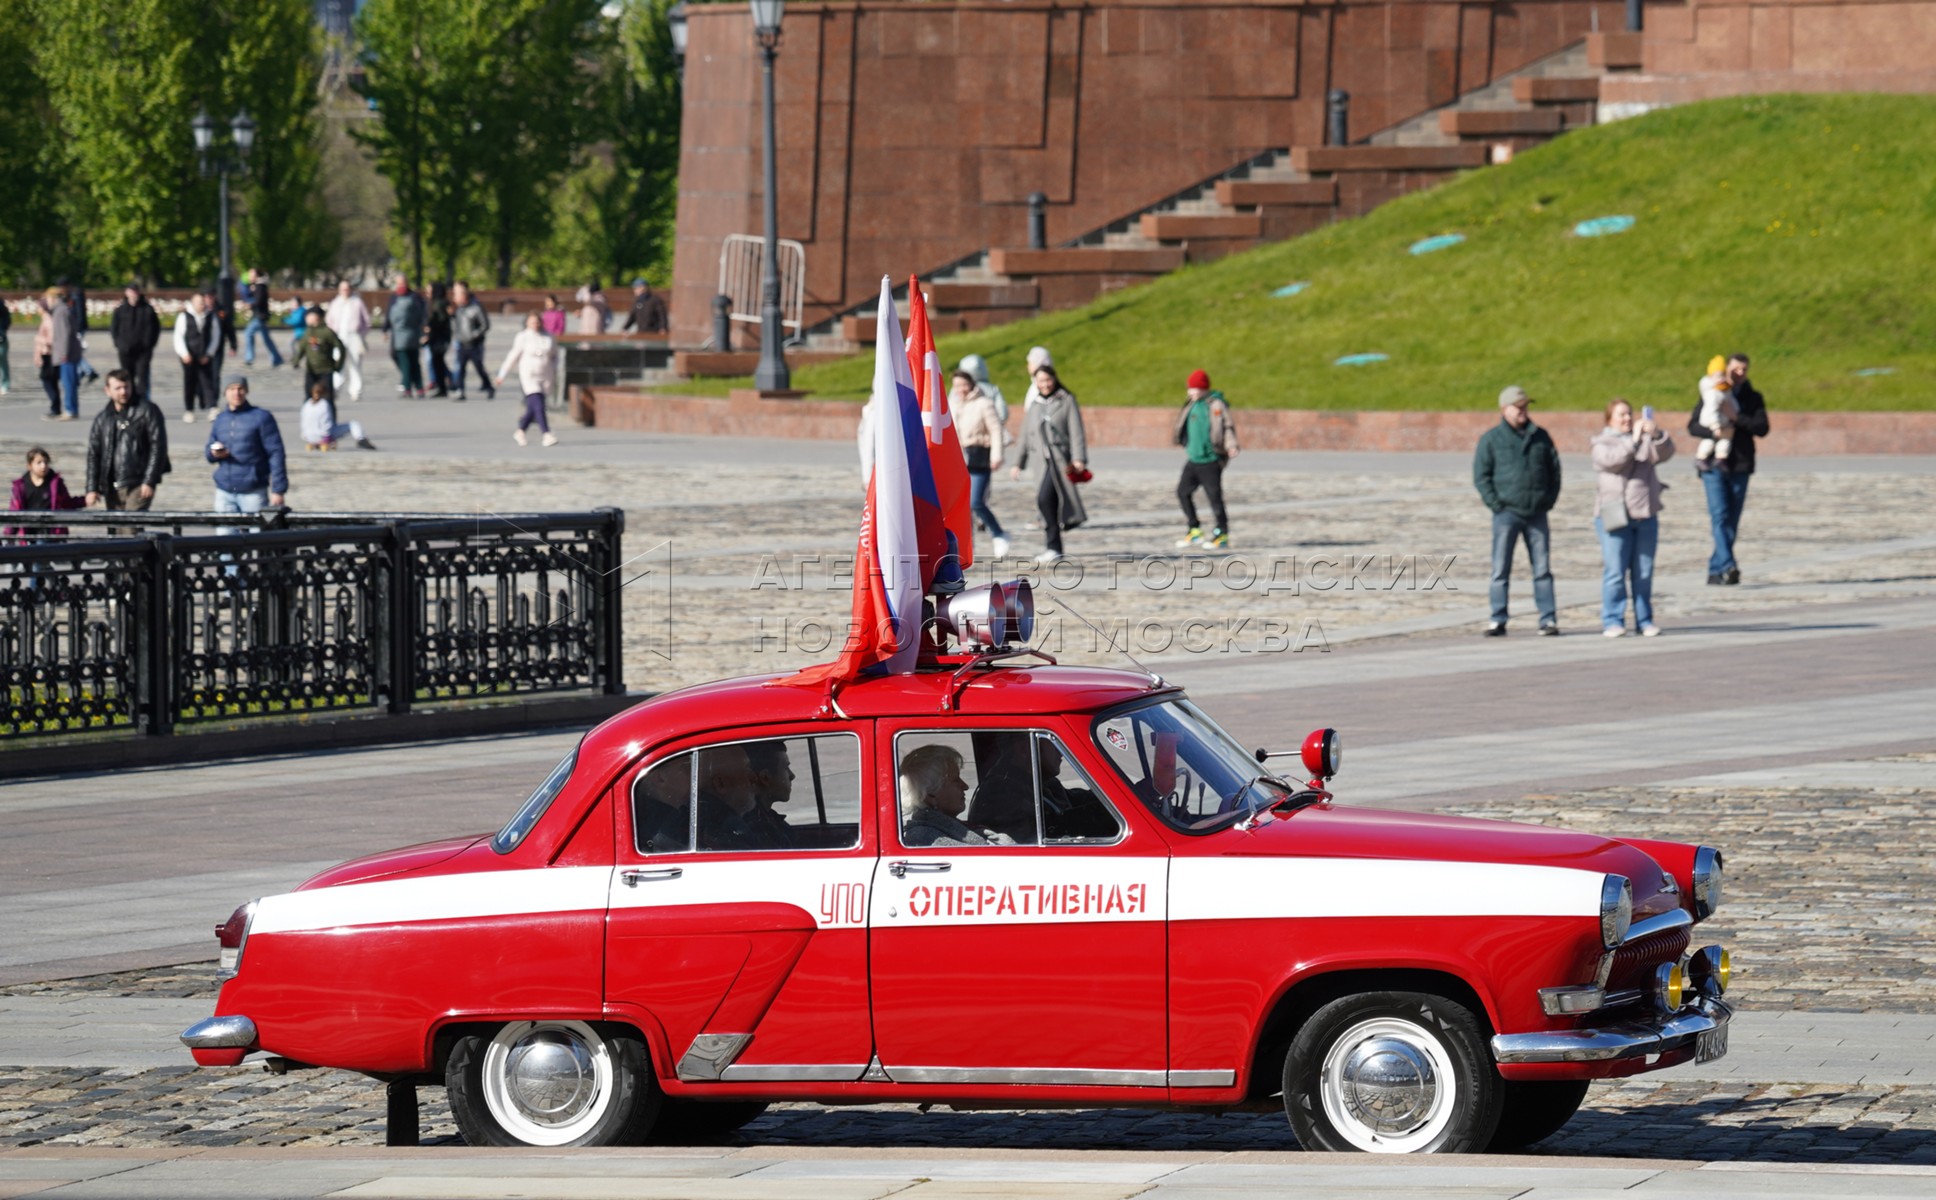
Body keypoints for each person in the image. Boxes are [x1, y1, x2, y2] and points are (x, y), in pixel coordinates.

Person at [1474, 385, 1563, 637]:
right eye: (1518, 406)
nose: (1523, 411)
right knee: (1500, 568)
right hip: (1507, 513)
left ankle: (1548, 619)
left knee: (1542, 568)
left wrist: (1548, 500)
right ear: (1504, 409)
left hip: (1537, 512)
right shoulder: (1491, 439)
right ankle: (1497, 618)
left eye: (1525, 406)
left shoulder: (1540, 436)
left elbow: (1554, 470)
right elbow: (1481, 476)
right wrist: (1496, 504)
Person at [1591, 399, 1675, 638]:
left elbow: (1665, 454)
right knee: (1615, 571)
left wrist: (1657, 434)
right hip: (1614, 515)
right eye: (1621, 415)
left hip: (1645, 514)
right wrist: (1634, 441)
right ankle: (1613, 620)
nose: (1627, 419)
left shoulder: (1644, 440)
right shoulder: (1601, 443)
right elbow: (1613, 462)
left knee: (1644, 572)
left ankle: (1644, 619)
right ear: (1609, 419)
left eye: (1629, 414)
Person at [1689, 352, 1769, 586]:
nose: (1739, 374)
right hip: (1713, 465)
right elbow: (1693, 425)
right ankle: (1728, 565)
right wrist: (1714, 432)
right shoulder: (1711, 392)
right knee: (1719, 516)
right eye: (1735, 369)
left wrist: (1737, 417)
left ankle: (1716, 570)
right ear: (1726, 370)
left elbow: (1762, 427)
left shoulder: (1752, 398)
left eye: (1744, 369)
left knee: (1731, 520)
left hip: (1741, 464)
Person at [1010, 365, 1088, 564]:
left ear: (1054, 379)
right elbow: (1026, 436)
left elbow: (1076, 431)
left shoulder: (1066, 401)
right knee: (1047, 502)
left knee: (1045, 499)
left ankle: (1053, 545)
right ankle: (1054, 546)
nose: (1044, 384)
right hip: (1041, 463)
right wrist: (1018, 463)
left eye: (1047, 380)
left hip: (1060, 460)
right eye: (1040, 381)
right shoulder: (1035, 405)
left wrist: (1079, 458)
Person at [84, 369, 170, 524]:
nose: (123, 392)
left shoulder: (147, 410)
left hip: (138, 482)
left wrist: (149, 480)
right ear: (107, 390)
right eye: (118, 388)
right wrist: (92, 488)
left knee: (130, 528)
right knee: (117, 533)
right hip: (111, 486)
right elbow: (94, 454)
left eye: (127, 387)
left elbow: (159, 447)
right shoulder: (103, 418)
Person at [206, 375, 288, 526]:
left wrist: (278, 489)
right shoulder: (220, 419)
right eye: (232, 389)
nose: (236, 393)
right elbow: (209, 451)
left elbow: (276, 453)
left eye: (240, 389)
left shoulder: (261, 417)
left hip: (253, 491)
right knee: (224, 543)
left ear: (246, 391)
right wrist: (215, 453)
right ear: (225, 392)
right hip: (224, 491)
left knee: (256, 541)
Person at [899, 744, 1014, 847]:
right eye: (955, 780)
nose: (965, 786)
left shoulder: (941, 826)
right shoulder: (924, 836)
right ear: (930, 795)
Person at [1174, 368, 1239, 550]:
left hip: (1210, 460)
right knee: (1182, 492)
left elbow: (1227, 427)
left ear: (1204, 389)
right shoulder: (1191, 404)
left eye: (1194, 389)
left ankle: (1221, 533)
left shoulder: (1216, 404)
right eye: (1189, 389)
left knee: (1214, 497)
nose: (1191, 392)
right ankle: (1194, 530)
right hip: (1193, 458)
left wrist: (1231, 445)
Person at [950, 368, 1009, 558]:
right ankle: (967, 547)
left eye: (964, 384)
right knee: (961, 506)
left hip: (980, 455)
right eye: (957, 385)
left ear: (972, 384)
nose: (961, 389)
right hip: (959, 459)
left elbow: (995, 430)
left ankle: (999, 534)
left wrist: (996, 455)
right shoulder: (952, 405)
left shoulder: (984, 404)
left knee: (976, 501)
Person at [496, 312, 558, 447]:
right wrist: (502, 375)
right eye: (532, 322)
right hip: (529, 375)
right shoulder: (523, 337)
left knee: (533, 408)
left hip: (545, 375)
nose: (535, 325)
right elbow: (513, 356)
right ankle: (546, 434)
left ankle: (520, 430)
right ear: (527, 323)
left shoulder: (548, 337)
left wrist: (554, 372)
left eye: (537, 322)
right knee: (538, 405)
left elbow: (554, 356)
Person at [6, 447, 85, 543]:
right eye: (39, 462)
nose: (43, 466)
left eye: (46, 462)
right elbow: (15, 512)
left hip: (51, 534)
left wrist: (84, 501)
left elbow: (67, 502)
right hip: (29, 535)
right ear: (29, 465)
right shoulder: (21, 486)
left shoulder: (55, 483)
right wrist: (8, 537)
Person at [173, 291, 222, 423]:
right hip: (189, 356)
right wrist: (184, 353)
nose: (202, 305)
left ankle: (213, 407)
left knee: (207, 382)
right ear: (193, 303)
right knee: (190, 383)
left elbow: (216, 336)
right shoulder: (184, 316)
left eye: (203, 302)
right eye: (199, 302)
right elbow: (178, 336)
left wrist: (209, 353)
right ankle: (189, 410)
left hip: (204, 356)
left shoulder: (211, 316)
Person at [109, 284, 162, 403]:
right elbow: (114, 329)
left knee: (143, 377)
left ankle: (143, 402)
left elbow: (156, 328)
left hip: (143, 351)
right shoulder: (120, 310)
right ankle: (129, 401)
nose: (133, 295)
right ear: (126, 293)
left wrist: (150, 344)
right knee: (127, 377)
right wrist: (119, 344)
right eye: (131, 292)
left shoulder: (147, 309)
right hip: (126, 351)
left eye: (135, 292)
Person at [289, 308, 346, 417]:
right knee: (308, 397)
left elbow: (341, 348)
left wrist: (338, 365)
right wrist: (296, 361)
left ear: (317, 317)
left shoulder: (327, 332)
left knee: (328, 398)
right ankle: (308, 420)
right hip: (311, 371)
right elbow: (302, 348)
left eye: (309, 315)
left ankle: (331, 421)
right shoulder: (308, 332)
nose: (306, 318)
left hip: (326, 370)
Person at [325, 280, 371, 402]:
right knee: (338, 362)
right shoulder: (335, 303)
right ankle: (335, 388)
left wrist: (362, 334)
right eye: (343, 289)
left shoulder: (357, 302)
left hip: (354, 336)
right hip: (339, 335)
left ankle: (356, 390)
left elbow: (366, 321)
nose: (345, 291)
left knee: (355, 364)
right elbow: (329, 320)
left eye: (347, 289)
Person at [41, 285, 81, 421]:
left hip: (66, 354)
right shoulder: (63, 309)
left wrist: (63, 353)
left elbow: (64, 334)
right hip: (69, 352)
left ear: (52, 298)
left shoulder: (60, 311)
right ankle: (72, 409)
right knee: (70, 383)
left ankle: (70, 410)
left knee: (68, 383)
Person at [300, 383, 377, 452]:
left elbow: (303, 422)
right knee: (353, 424)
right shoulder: (324, 404)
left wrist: (306, 436)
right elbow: (326, 423)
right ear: (324, 393)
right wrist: (327, 438)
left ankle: (314, 443)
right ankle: (361, 439)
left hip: (308, 437)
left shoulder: (306, 404)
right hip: (322, 437)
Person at [450, 281, 494, 400]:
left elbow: (485, 325)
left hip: (474, 344)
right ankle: (460, 390)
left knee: (479, 367)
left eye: (457, 294)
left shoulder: (476, 308)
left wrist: (473, 335)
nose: (455, 297)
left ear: (464, 295)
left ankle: (489, 386)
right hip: (462, 343)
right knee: (460, 368)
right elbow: (457, 326)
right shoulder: (459, 310)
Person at [386, 280, 426, 397]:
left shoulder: (402, 300)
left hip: (401, 337)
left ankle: (407, 387)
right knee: (414, 363)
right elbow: (421, 316)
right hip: (413, 335)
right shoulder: (413, 298)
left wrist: (386, 329)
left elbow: (390, 317)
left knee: (406, 364)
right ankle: (419, 387)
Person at [241, 268, 285, 368]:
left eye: (251, 274)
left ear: (256, 276)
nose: (249, 277)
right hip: (260, 315)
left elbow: (259, 301)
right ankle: (277, 358)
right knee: (266, 339)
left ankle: (249, 358)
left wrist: (250, 305)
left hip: (260, 316)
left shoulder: (260, 286)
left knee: (248, 333)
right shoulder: (257, 286)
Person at [958, 353, 1008, 430]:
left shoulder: (958, 389)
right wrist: (994, 425)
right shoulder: (992, 389)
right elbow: (1002, 412)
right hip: (991, 430)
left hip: (964, 432)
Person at [425, 281, 453, 397]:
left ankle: (443, 387)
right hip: (439, 336)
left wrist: (429, 327)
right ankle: (446, 384)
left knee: (437, 361)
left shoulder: (438, 304)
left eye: (429, 290)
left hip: (438, 337)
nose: (427, 293)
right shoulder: (437, 303)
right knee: (438, 361)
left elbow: (440, 321)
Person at [0, 294, 10, 395]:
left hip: (0, 337)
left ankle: (5, 383)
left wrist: (2, 331)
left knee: (2, 360)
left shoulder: (1, 306)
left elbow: (6, 321)